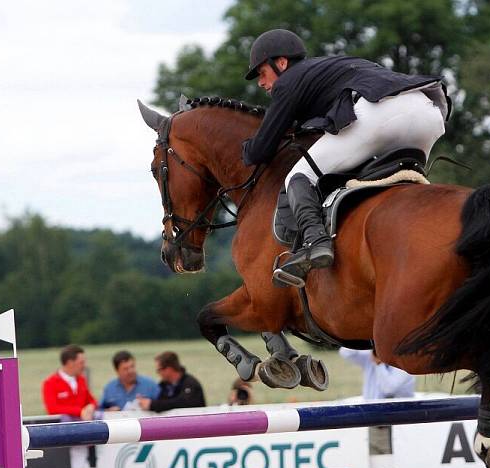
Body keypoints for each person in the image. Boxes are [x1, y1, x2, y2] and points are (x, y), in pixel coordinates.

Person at [242, 29, 450, 287]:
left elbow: (260, 151)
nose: (261, 83)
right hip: (428, 114)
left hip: (382, 112)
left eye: (262, 73)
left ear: (281, 63)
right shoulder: (330, 67)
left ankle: (315, 242)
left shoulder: (289, 81)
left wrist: (246, 147)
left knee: (299, 176)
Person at [42, 344, 97, 420]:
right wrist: (80, 411)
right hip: (64, 426)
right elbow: (52, 409)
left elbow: (91, 400)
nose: (84, 366)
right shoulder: (50, 383)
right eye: (81, 362)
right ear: (70, 363)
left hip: (83, 420)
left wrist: (91, 406)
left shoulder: (81, 380)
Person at [138, 351, 206, 412]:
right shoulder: (164, 385)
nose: (158, 373)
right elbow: (163, 402)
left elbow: (183, 403)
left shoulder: (190, 383)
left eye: (159, 370)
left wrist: (152, 404)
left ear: (169, 369)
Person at [339, 348, 415, 400]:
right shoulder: (369, 355)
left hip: (397, 416)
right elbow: (345, 352)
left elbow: (388, 389)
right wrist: (365, 338)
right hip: (371, 411)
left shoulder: (404, 362)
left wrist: (379, 363)